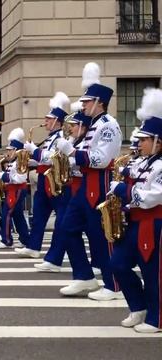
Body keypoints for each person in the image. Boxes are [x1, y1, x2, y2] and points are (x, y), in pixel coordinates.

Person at [56, 62, 122, 301]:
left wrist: (71, 152)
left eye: (86, 101)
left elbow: (100, 160)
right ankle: (84, 275)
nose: (82, 105)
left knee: (101, 237)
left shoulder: (107, 126)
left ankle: (113, 285)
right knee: (66, 229)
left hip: (100, 183)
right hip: (85, 184)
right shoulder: (92, 126)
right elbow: (82, 159)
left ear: (99, 103)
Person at [109, 88, 162, 333]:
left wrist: (125, 192)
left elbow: (154, 197)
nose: (138, 143)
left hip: (153, 223)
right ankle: (138, 306)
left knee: (153, 273)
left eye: (143, 140)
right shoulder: (141, 161)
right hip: (133, 221)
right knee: (117, 264)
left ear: (157, 142)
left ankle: (157, 318)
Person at [32, 101, 91, 272]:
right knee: (65, 224)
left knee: (87, 227)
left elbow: (55, 158)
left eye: (73, 125)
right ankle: (55, 258)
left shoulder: (67, 139)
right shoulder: (71, 139)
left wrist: (69, 154)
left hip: (82, 184)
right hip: (70, 183)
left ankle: (97, 263)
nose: (71, 128)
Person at [17, 92, 71, 262]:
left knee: (61, 220)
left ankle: (56, 255)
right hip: (44, 179)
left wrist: (34, 150)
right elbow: (42, 159)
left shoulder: (60, 138)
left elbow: (51, 157)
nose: (45, 122)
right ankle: (33, 247)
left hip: (54, 181)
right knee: (39, 215)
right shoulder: (50, 138)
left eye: (48, 119)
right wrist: (28, 160)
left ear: (57, 121)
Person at [0, 128, 30, 249]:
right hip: (12, 190)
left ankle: (7, 240)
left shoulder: (20, 160)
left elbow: (21, 178)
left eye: (10, 150)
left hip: (17, 190)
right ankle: (25, 239)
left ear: (16, 150)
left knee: (6, 214)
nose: (7, 153)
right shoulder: (12, 162)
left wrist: (3, 176)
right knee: (17, 215)